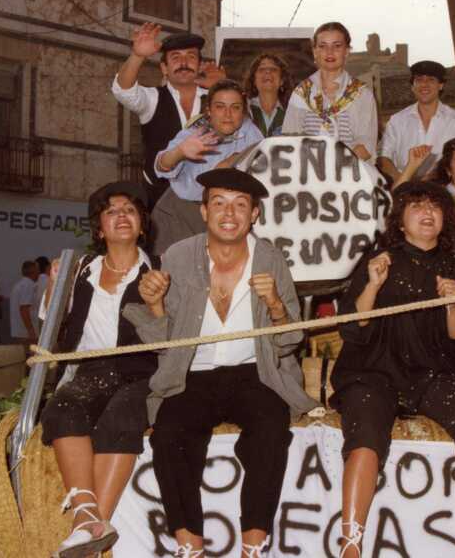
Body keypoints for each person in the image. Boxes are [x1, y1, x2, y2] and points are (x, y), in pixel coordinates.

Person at [126, 169, 317, 558]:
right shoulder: (178, 257)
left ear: (255, 215)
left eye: (240, 204)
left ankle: (253, 545)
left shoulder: (271, 258)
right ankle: (189, 545)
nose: (229, 213)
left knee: (270, 428)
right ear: (203, 210)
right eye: (219, 203)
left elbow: (291, 340)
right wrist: (155, 305)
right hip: (191, 373)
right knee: (168, 434)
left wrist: (278, 307)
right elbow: (163, 344)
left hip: (255, 372)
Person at [330, 181, 455, 558]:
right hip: (372, 369)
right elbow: (351, 326)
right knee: (366, 432)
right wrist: (373, 287)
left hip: (431, 369)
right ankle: (351, 544)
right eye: (416, 207)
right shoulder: (378, 259)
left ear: (444, 217)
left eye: (434, 206)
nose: (427, 213)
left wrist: (452, 304)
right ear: (400, 220)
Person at [40, 181, 158, 558]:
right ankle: (89, 520)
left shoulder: (160, 273)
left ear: (141, 225)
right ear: (100, 227)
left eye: (129, 210)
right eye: (111, 211)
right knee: (60, 409)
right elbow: (50, 324)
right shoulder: (80, 271)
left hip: (141, 372)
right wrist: (54, 288)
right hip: (88, 369)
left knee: (121, 419)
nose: (121, 216)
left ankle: (87, 534)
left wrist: (160, 303)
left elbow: (174, 333)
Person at [111, 22, 225, 205]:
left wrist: (223, 88)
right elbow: (124, 91)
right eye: (175, 57)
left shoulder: (218, 101)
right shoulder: (153, 99)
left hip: (208, 201)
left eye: (191, 56)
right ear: (164, 68)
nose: (184, 63)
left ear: (199, 65)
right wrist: (137, 56)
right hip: (159, 202)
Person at [150, 79, 263, 256]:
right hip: (180, 211)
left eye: (235, 107)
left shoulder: (250, 132)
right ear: (209, 110)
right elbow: (160, 166)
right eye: (220, 106)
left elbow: (262, 163)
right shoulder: (194, 132)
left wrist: (233, 162)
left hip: (219, 210)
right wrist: (180, 152)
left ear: (244, 112)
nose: (228, 114)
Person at [283, 22, 378, 161]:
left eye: (337, 46)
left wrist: (335, 170)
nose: (329, 52)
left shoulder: (362, 94)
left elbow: (366, 145)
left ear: (346, 51)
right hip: (307, 175)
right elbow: (288, 141)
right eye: (322, 46)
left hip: (350, 174)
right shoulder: (301, 93)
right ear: (315, 52)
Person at [378, 61, 455, 183]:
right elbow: (383, 156)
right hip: (403, 190)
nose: (424, 84)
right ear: (412, 86)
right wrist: (402, 180)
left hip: (444, 192)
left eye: (431, 80)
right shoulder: (397, 121)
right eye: (419, 80)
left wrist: (429, 181)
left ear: (441, 85)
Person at [244, 53, 293, 137]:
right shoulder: (243, 108)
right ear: (254, 81)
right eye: (261, 69)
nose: (267, 72)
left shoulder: (293, 112)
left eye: (273, 69)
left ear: (282, 80)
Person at [9, 260, 39, 346]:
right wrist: (31, 331)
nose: (39, 273)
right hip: (26, 333)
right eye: (37, 270)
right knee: (30, 357)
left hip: (20, 332)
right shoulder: (28, 285)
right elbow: (24, 309)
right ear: (33, 271)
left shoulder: (20, 284)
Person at [33, 256, 51, 336]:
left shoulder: (35, 282)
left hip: (35, 316)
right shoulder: (49, 281)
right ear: (48, 266)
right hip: (46, 317)